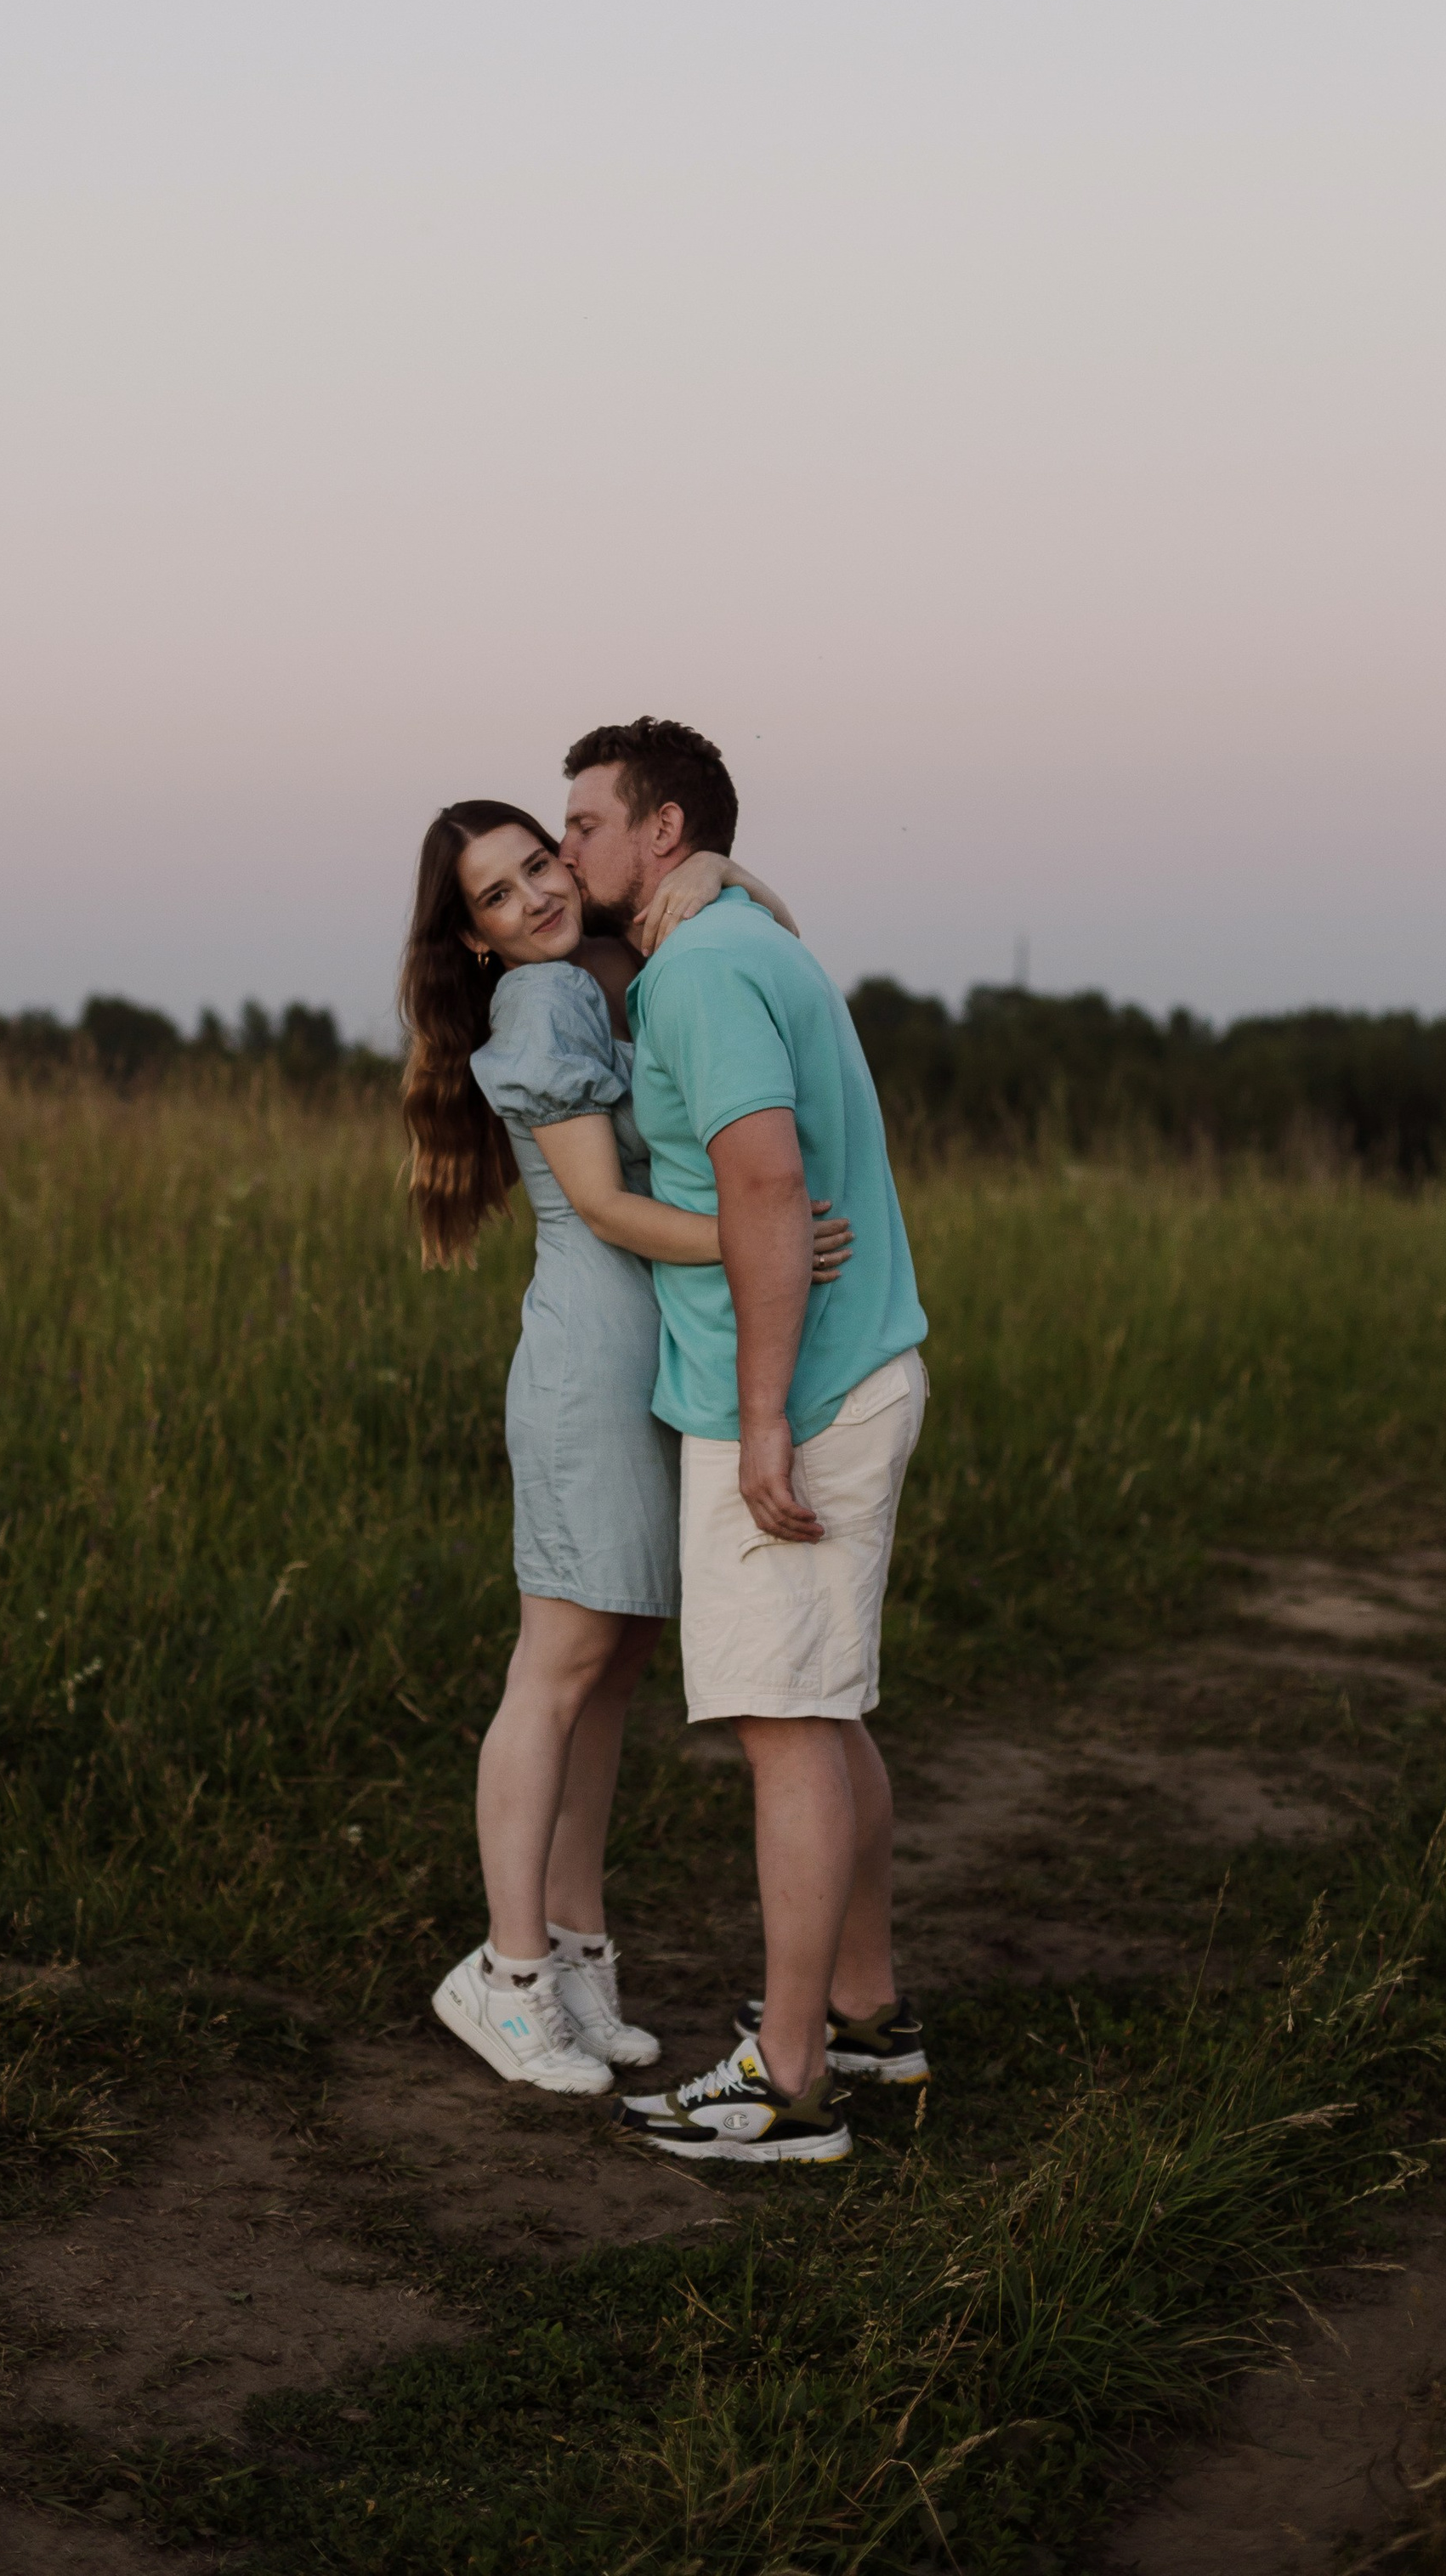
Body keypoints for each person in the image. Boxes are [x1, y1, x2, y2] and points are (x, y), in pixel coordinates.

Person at [400, 800, 850, 2095]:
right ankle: (508, 1974)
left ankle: (580, 1953)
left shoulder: (607, 973)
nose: (536, 895)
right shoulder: (541, 1010)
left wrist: (712, 864)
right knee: (558, 1668)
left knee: (611, 1669)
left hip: (639, 1365)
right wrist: (759, 1243)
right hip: (589, 1371)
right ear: (474, 939)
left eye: (541, 862)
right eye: (498, 894)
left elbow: (778, 932)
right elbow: (602, 1204)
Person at [557, 717, 929, 2170]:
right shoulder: (739, 942)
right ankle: (864, 2015)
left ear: (662, 833)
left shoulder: (703, 973)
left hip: (802, 1396)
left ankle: (786, 2086)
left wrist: (765, 1416)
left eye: (586, 819)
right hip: (846, 1372)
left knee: (786, 1728)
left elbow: (764, 1186)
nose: (566, 842)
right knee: (822, 1713)